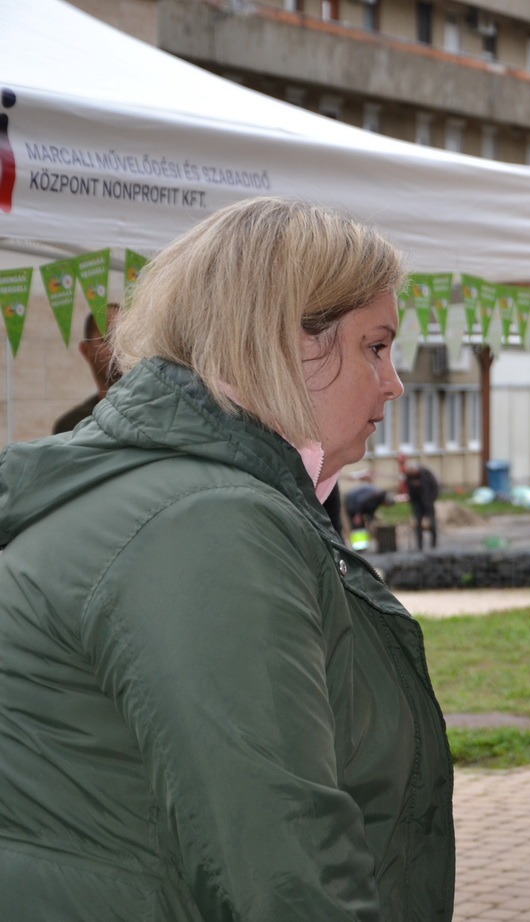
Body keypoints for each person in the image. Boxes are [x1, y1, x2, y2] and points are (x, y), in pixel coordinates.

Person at [0, 197, 455, 919]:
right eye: (376, 347)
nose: (394, 382)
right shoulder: (208, 523)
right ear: (283, 342)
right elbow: (282, 867)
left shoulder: (196, 499)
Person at [52, 305, 122, 433]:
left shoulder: (153, 413)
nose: (118, 349)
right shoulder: (71, 426)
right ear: (86, 350)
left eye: (126, 340)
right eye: (108, 340)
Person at [403, 460, 440, 549]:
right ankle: (419, 545)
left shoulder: (426, 475)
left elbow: (435, 487)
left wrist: (431, 499)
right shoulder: (409, 477)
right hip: (417, 503)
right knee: (418, 524)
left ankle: (433, 544)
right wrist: (410, 499)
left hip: (428, 502)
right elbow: (408, 488)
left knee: (432, 523)